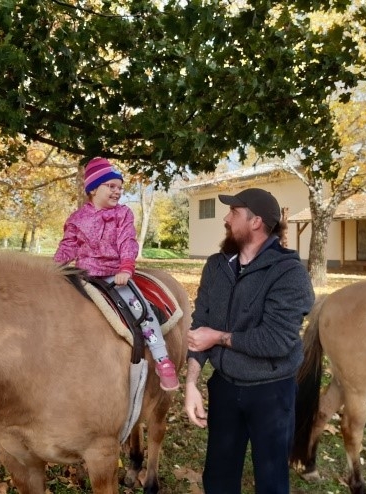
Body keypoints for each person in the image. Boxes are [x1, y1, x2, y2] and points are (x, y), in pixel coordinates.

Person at [184, 187, 315, 494]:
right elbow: (200, 325)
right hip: (225, 387)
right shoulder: (217, 266)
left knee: (271, 483)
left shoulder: (289, 273)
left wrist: (217, 337)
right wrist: (191, 383)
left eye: (234, 212)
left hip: (271, 392)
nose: (226, 219)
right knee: (218, 479)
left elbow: (276, 340)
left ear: (256, 222)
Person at [54, 157, 180, 391]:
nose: (117, 191)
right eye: (111, 186)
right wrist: (54, 267)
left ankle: (162, 359)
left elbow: (126, 242)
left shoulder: (123, 214)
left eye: (120, 187)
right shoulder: (77, 219)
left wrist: (125, 267)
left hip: (114, 274)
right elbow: (68, 246)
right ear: (93, 189)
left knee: (141, 310)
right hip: (84, 274)